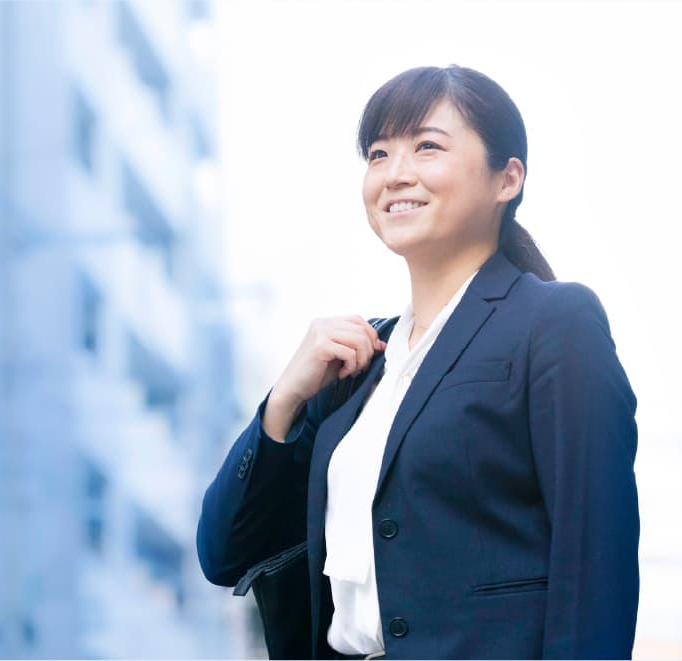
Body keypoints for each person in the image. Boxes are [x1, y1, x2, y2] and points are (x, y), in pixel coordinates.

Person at [197, 65, 639, 660]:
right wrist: (284, 402)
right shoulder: (354, 367)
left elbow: (595, 569)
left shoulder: (554, 323)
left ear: (507, 179)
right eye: (378, 154)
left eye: (427, 146)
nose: (395, 173)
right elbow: (225, 555)